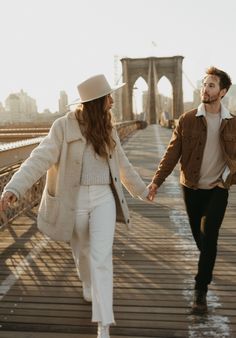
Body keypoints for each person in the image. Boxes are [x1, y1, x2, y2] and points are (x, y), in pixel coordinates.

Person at [0, 74, 149, 338]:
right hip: (74, 200)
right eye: (108, 97)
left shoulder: (109, 128)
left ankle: (103, 326)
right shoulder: (63, 126)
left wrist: (143, 190)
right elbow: (40, 157)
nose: (113, 101)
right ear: (96, 101)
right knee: (82, 253)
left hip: (104, 198)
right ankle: (87, 283)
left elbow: (123, 165)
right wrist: (14, 187)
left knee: (102, 257)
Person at [147, 66, 236, 313]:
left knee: (211, 240)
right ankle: (205, 267)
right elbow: (172, 153)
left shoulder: (233, 123)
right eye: (203, 84)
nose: (205, 89)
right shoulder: (186, 119)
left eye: (211, 85)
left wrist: (228, 178)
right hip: (192, 188)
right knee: (201, 239)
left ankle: (200, 291)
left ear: (223, 91)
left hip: (218, 189)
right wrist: (157, 181)